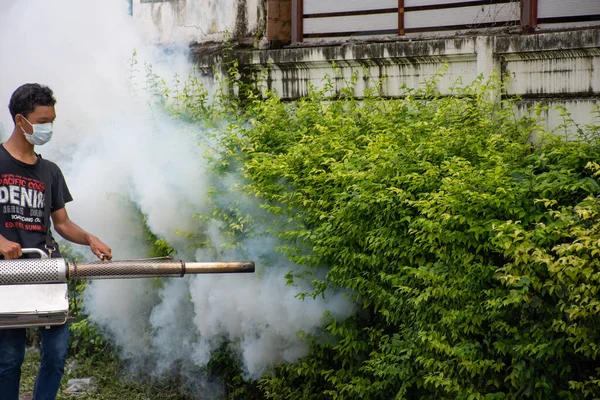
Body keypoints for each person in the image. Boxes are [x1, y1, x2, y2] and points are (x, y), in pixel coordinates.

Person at [0, 83, 112, 400]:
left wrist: (89, 238)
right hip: (5, 276)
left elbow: (61, 222)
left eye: (52, 121)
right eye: (42, 121)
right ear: (21, 120)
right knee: (9, 360)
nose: (48, 128)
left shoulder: (50, 171)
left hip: (47, 271)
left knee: (57, 354)